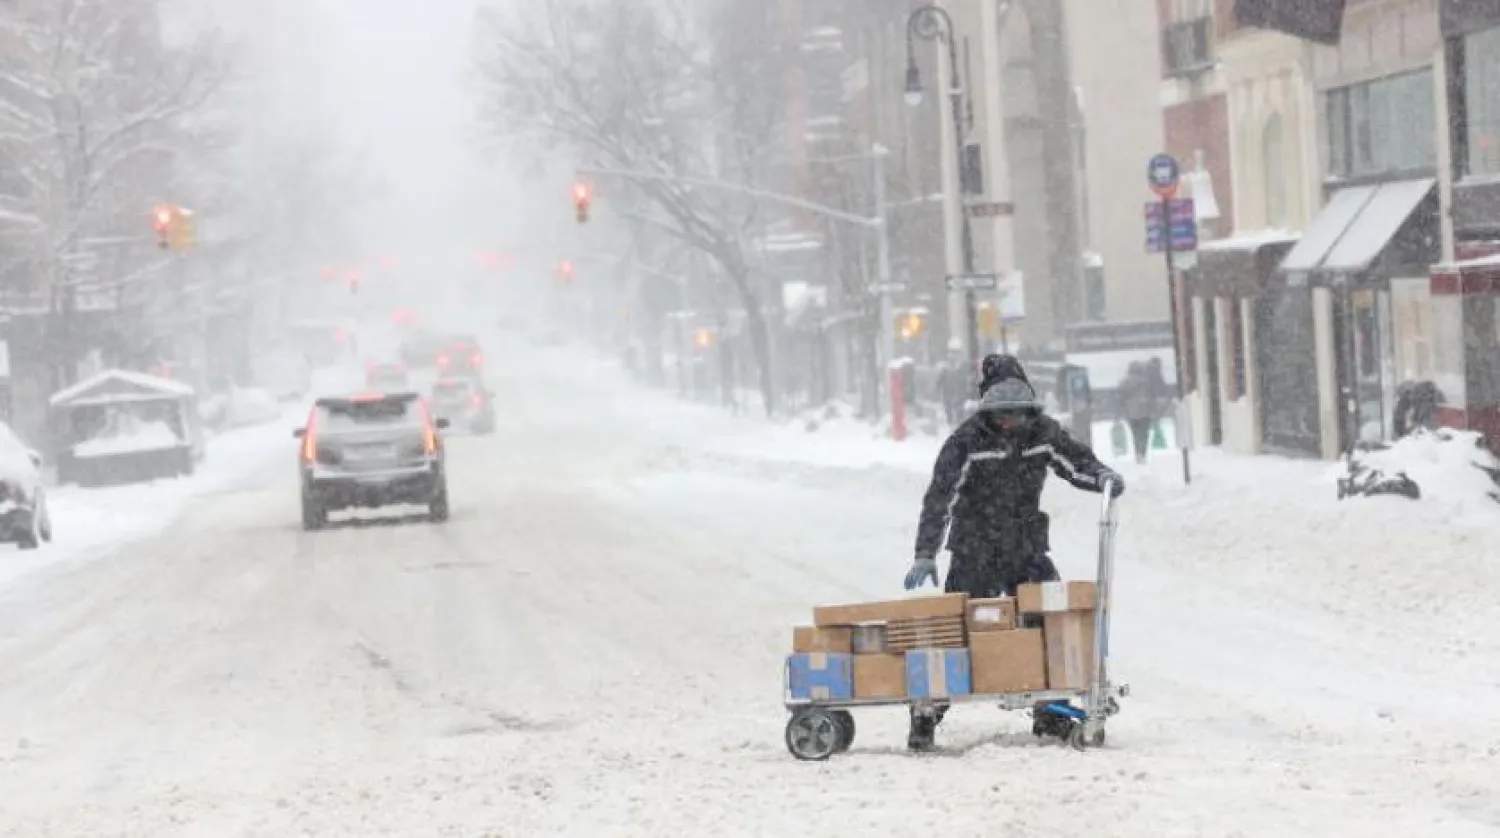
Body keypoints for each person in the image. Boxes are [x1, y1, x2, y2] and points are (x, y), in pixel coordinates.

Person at [903, 356, 1124, 751]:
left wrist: (1102, 476)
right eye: (1001, 415)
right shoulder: (966, 442)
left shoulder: (1042, 433)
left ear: (1028, 408)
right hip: (975, 547)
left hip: (1026, 545)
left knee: (1050, 625)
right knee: (960, 632)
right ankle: (927, 712)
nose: (1009, 422)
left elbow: (1077, 463)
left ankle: (1050, 712)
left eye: (1016, 414)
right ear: (987, 409)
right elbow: (940, 498)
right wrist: (925, 552)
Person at [1116, 361, 1161, 464]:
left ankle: (1138, 453)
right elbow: (1151, 397)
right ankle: (1142, 453)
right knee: (1144, 434)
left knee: (1135, 434)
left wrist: (1120, 412)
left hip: (1130, 413)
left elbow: (1120, 399)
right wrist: (1153, 410)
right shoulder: (1145, 382)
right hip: (1144, 412)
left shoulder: (1124, 383)